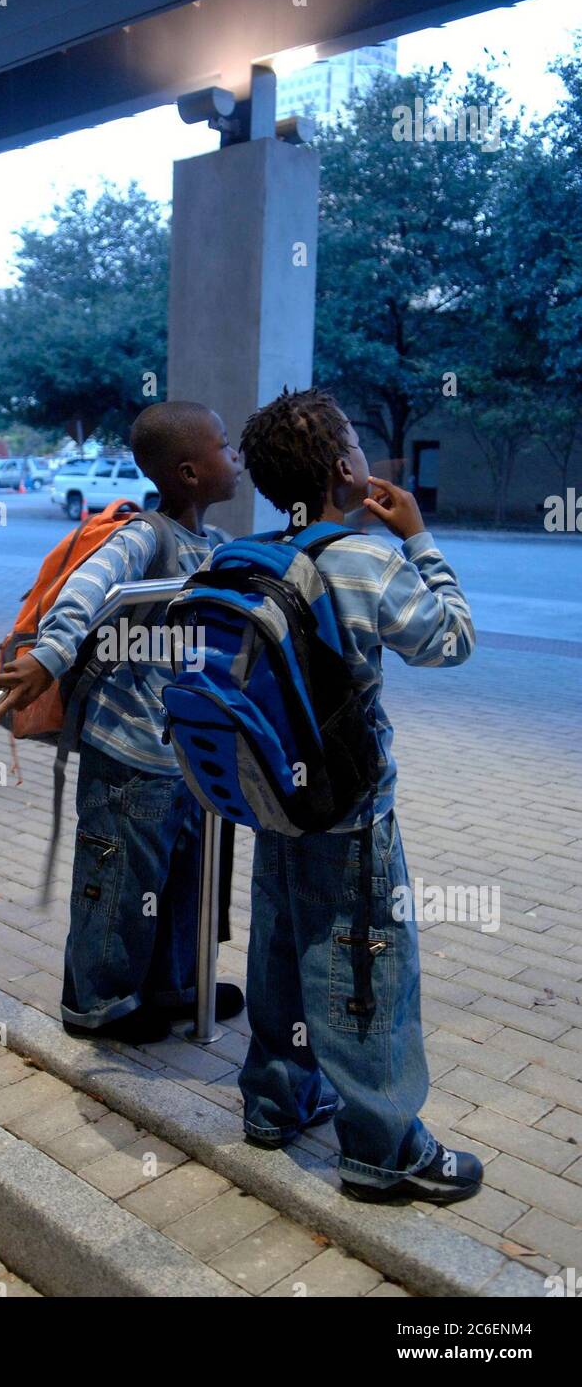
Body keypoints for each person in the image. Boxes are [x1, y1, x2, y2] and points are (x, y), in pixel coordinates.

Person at [238, 386, 482, 1204]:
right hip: (350, 814)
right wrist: (415, 537)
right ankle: (384, 1150)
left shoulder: (246, 555)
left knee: (279, 947)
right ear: (348, 467)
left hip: (273, 798)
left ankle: (275, 1103)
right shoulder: (367, 557)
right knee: (365, 967)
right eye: (354, 442)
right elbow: (449, 641)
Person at [0, 402, 245, 1044]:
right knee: (118, 879)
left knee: (183, 876)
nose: (234, 454)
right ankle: (99, 1003)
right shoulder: (143, 537)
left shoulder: (211, 548)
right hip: (127, 750)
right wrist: (48, 656)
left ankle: (174, 984)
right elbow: (86, 588)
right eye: (224, 444)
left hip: (185, 752)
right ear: (188, 471)